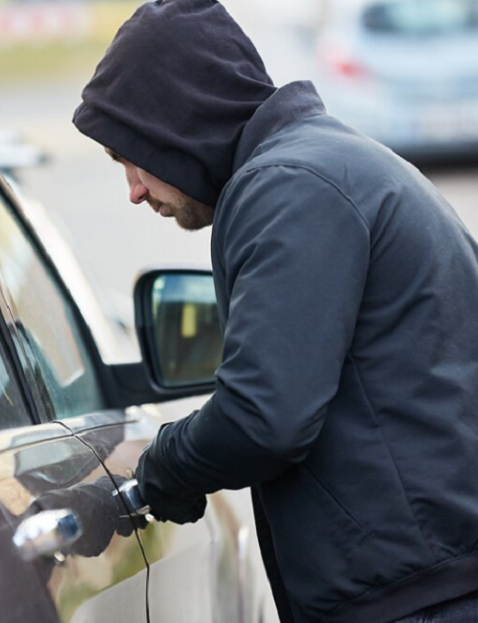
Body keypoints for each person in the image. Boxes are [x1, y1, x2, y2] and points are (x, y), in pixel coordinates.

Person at [72, 1, 478, 623]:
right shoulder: (328, 166)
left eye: (128, 155)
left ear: (172, 122)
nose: (133, 189)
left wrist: (155, 473)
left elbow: (263, 417)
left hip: (420, 599)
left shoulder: (290, 186)